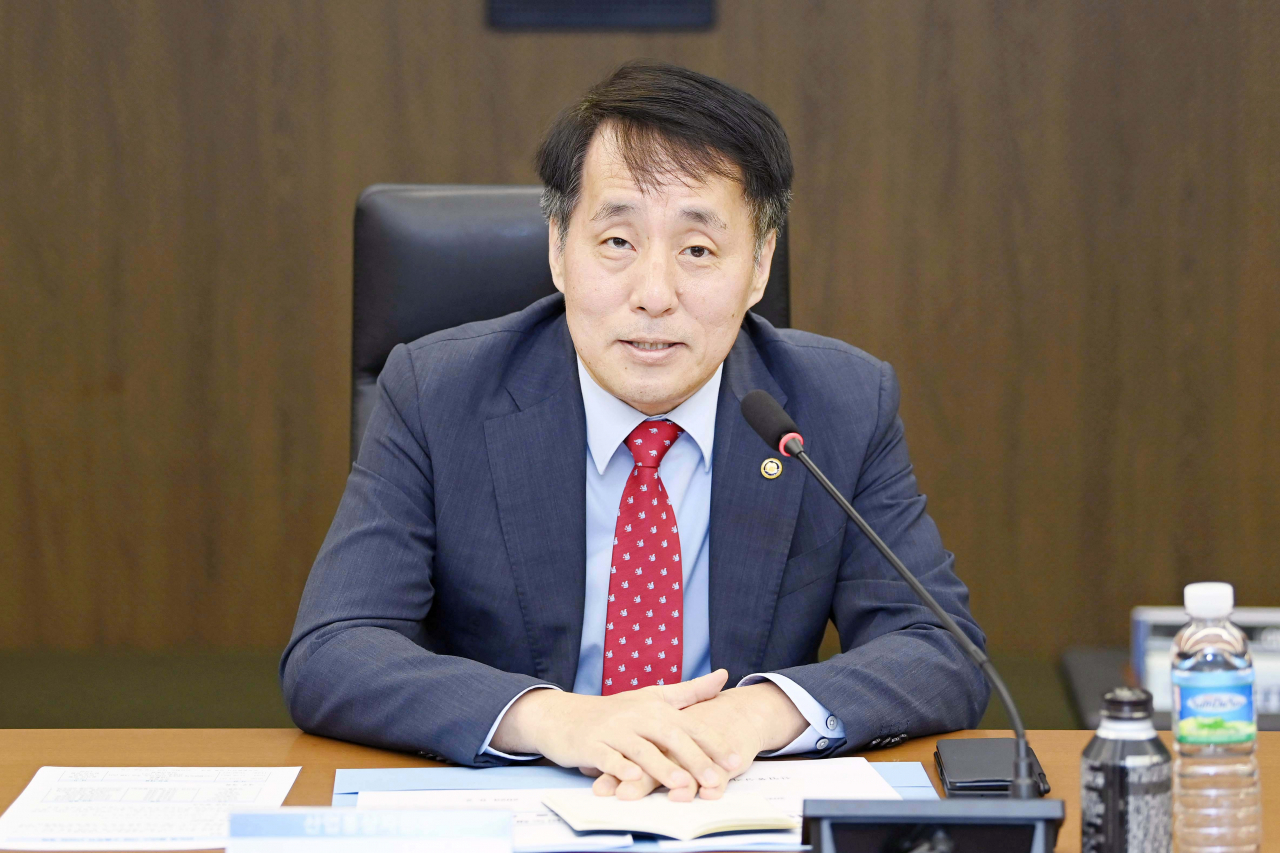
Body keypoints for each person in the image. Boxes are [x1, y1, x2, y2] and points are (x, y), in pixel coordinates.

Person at [281, 60, 988, 802]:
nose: (654, 296)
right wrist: (555, 718)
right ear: (558, 248)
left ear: (759, 267)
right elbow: (334, 649)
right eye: (616, 242)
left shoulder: (838, 402)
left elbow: (940, 646)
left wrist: (758, 711)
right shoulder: (436, 393)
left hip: (731, 810)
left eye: (698, 250)